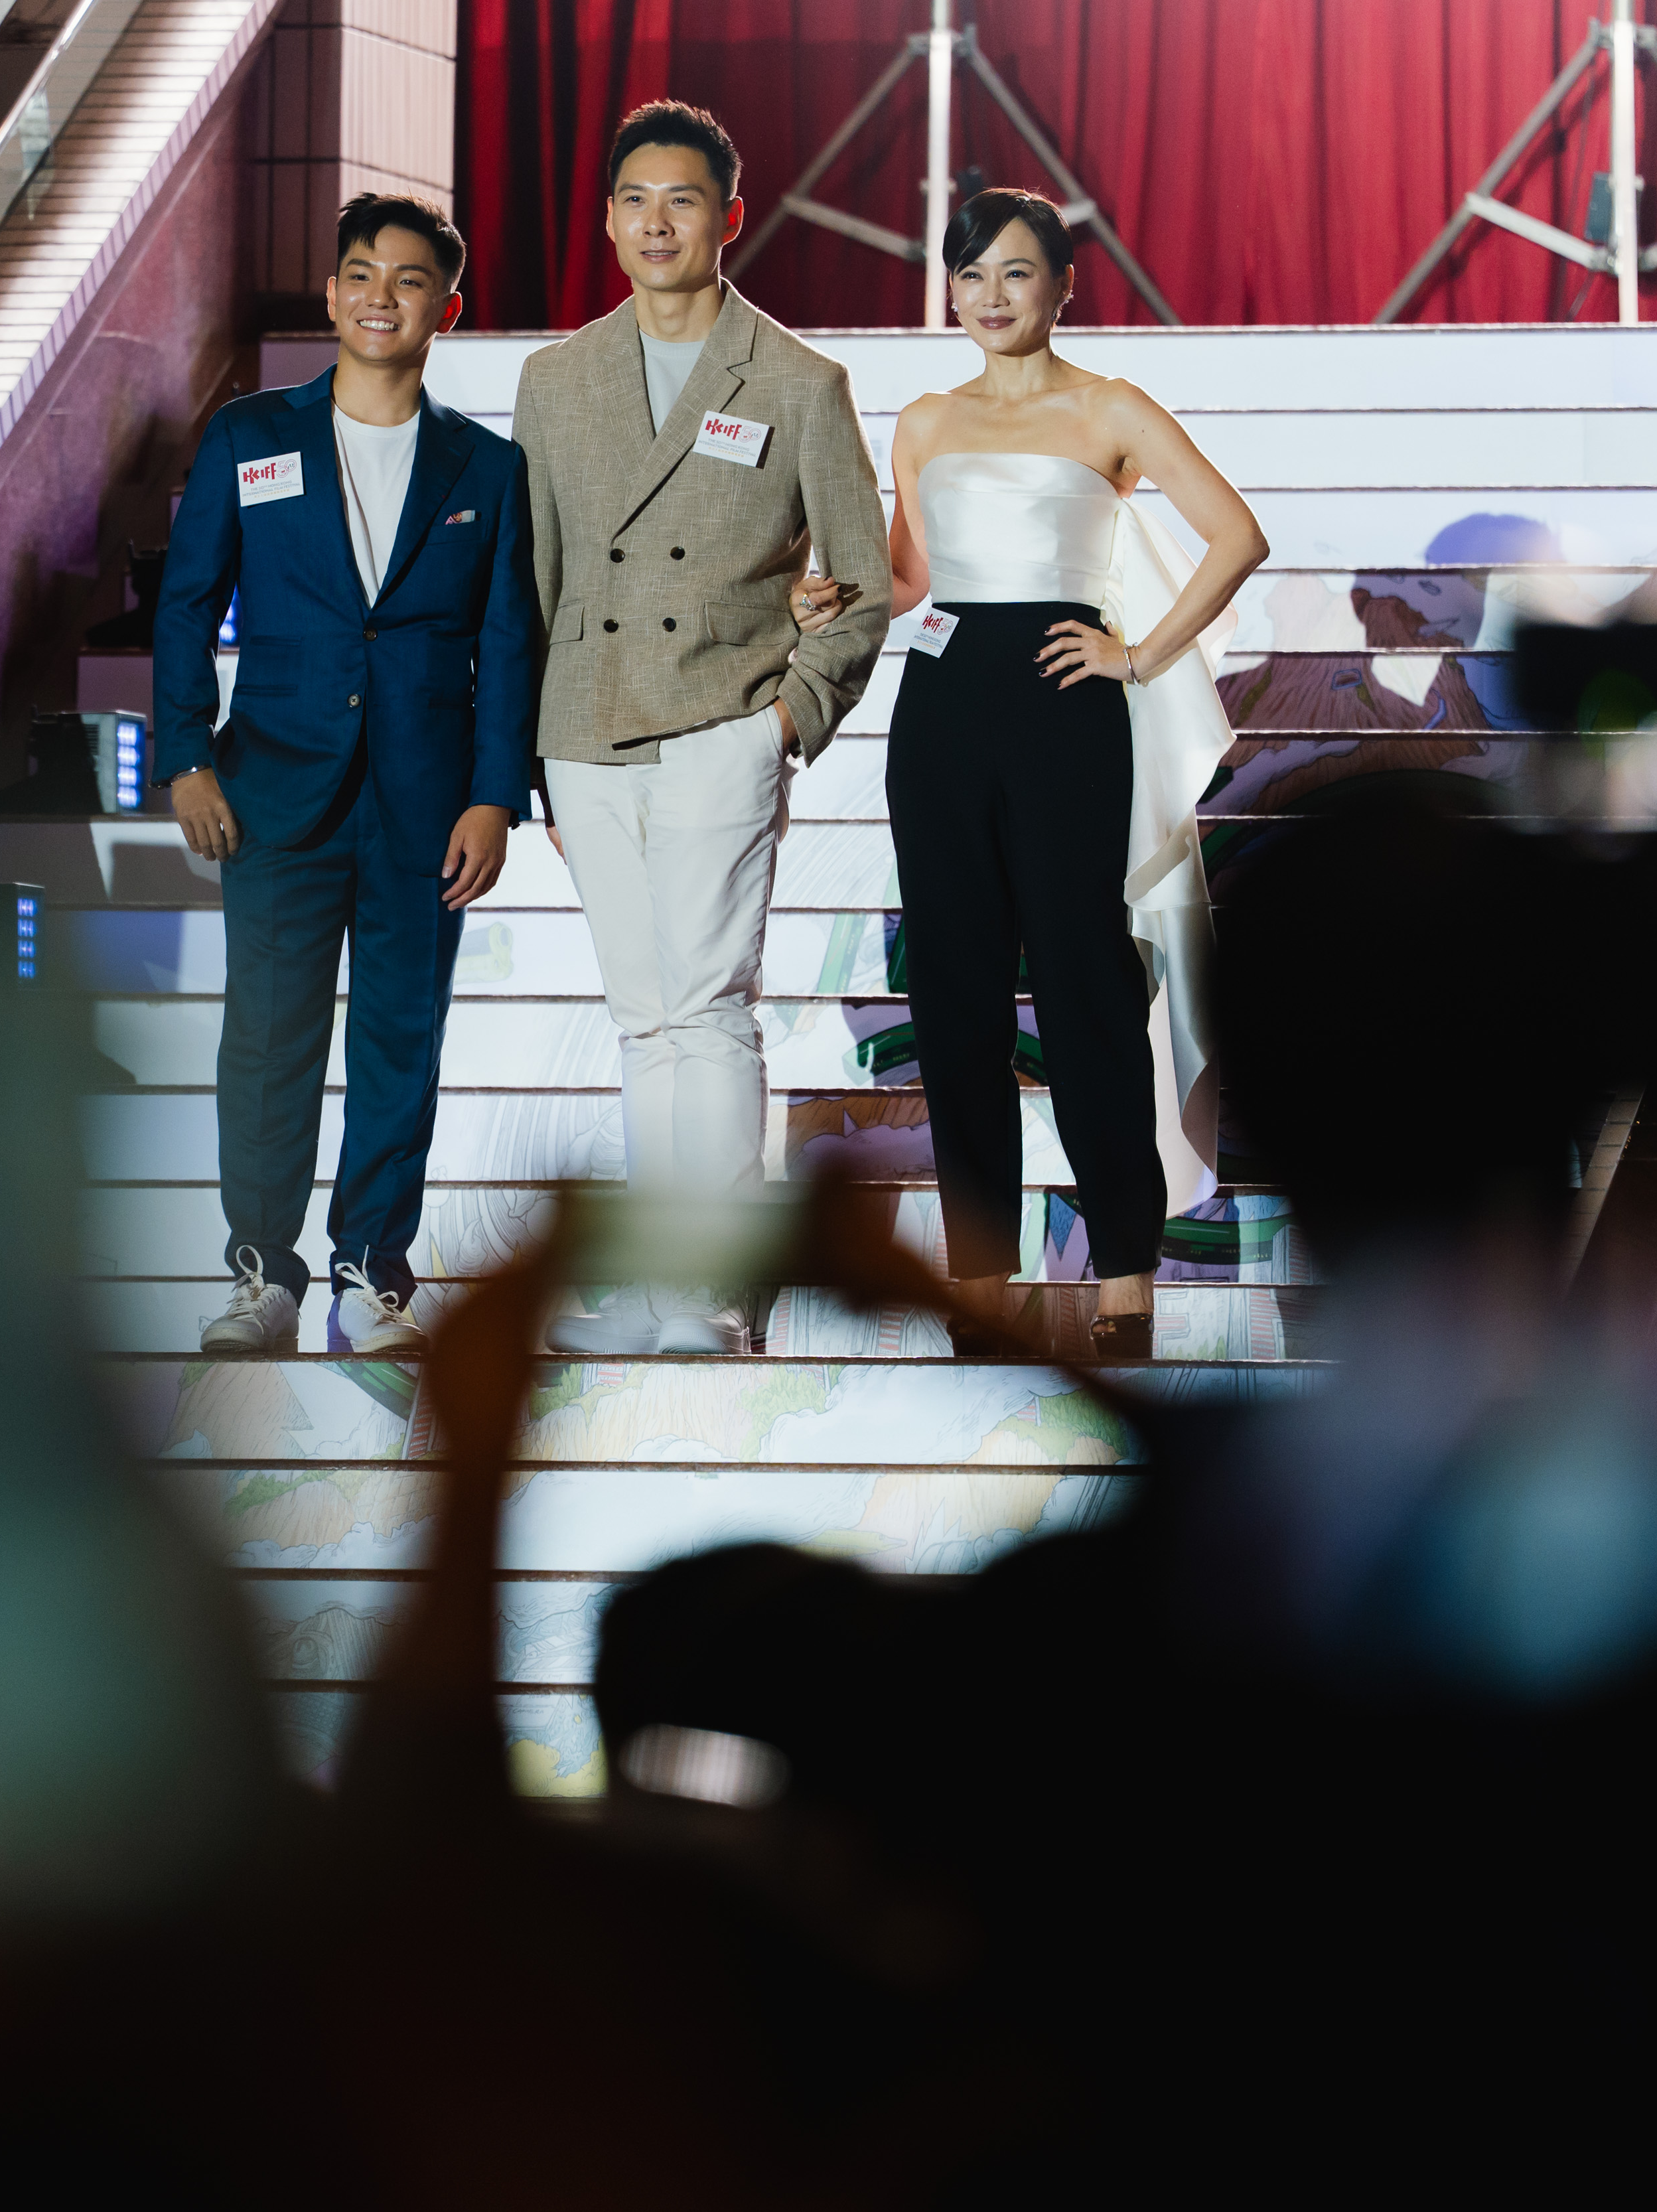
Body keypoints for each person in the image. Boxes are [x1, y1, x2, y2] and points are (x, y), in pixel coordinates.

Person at [825, 188, 1265, 1359]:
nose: (990, 296)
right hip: (941, 708)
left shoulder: (1110, 406)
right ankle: (980, 1282)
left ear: (1064, 285)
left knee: (1086, 990)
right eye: (970, 274)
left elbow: (1237, 535)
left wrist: (1139, 654)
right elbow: (911, 576)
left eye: (1016, 272)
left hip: (1068, 708)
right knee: (954, 999)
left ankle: (1124, 1275)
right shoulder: (925, 419)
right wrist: (837, 591)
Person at [512, 100, 892, 1356]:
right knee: (645, 1016)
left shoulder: (798, 380)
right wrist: (528, 753)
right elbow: (532, 579)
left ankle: (715, 1288)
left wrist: (786, 720)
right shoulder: (556, 379)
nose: (656, 223)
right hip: (586, 728)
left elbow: (862, 580)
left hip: (724, 721)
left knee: (711, 1007)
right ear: (608, 220)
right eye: (635, 201)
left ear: (730, 217)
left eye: (682, 200)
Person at [153, 193, 541, 1359]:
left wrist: (495, 793)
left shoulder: (490, 467)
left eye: (411, 280)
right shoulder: (249, 436)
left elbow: (508, 643)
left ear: (447, 310)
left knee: (399, 1043)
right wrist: (186, 754)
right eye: (362, 274)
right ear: (330, 295)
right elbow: (187, 605)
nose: (382, 296)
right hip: (273, 793)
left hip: (427, 807)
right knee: (266, 1040)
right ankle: (260, 1272)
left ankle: (371, 1270)